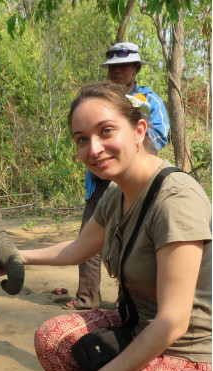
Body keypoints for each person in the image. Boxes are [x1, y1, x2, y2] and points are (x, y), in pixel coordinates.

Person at [16, 82, 211, 371]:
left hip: (192, 355)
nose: (94, 148)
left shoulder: (176, 202)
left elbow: (173, 322)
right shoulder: (116, 193)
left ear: (139, 131)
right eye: (81, 139)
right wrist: (15, 257)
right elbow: (76, 249)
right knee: (52, 338)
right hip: (139, 330)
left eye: (106, 131)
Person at [65, 42, 169, 310]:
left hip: (139, 184)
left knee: (139, 241)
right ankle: (87, 297)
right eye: (113, 67)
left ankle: (141, 302)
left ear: (136, 69)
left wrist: (126, 157)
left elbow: (160, 135)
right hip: (100, 184)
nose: (117, 72)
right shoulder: (100, 101)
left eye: (123, 66)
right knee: (89, 239)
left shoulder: (148, 100)